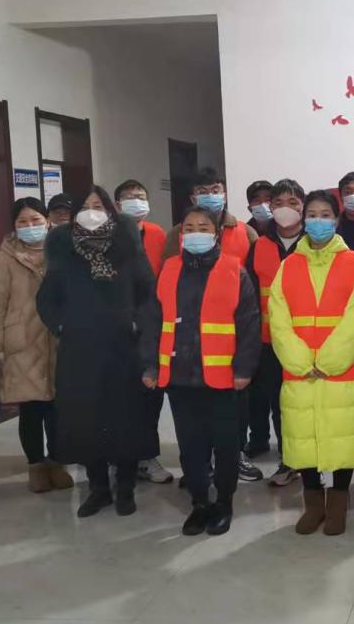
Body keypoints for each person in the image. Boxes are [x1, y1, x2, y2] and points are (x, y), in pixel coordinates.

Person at [37, 187, 157, 517]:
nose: (92, 211)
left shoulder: (127, 248)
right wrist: (62, 326)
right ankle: (99, 488)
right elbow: (47, 299)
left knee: (126, 419)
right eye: (85, 206)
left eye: (98, 205)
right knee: (87, 421)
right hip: (80, 352)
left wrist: (137, 323)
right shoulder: (64, 252)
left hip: (124, 349)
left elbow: (148, 293)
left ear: (111, 211)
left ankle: (126, 488)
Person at [146, 206, 261, 536]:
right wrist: (151, 365)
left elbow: (249, 325)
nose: (196, 233)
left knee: (226, 445)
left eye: (203, 227)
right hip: (180, 377)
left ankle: (223, 502)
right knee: (191, 446)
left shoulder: (234, 270)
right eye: (189, 228)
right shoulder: (169, 269)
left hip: (224, 379)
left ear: (216, 234)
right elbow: (154, 321)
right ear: (181, 234)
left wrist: (243, 369)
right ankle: (200, 502)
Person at [268, 190, 354, 535]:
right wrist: (300, 360)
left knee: (343, 438)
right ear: (304, 220)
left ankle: (338, 503)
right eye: (312, 214)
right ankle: (313, 504)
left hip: (341, 369)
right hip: (300, 371)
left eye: (325, 214)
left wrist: (329, 360)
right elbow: (278, 318)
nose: (318, 221)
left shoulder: (353, 263)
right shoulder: (288, 265)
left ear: (336, 219)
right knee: (304, 440)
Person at [0, 198, 71, 494]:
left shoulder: (63, 250)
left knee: (58, 409)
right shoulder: (6, 258)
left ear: (47, 221)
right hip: (22, 344)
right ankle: (36, 466)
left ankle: (57, 462)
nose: (30, 226)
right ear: (14, 226)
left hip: (60, 341)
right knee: (31, 410)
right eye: (23, 222)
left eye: (35, 220)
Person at [245, 178, 307, 485]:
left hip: (308, 340)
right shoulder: (260, 245)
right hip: (269, 341)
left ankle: (307, 459)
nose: (286, 209)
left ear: (303, 207)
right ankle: (288, 460)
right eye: (279, 203)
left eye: (293, 203)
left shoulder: (315, 242)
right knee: (278, 403)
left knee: (304, 404)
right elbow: (249, 295)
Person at [115, 179, 173, 485]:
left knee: (151, 394)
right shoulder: (108, 236)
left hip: (154, 324)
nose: (135, 201)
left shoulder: (158, 234)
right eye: (128, 197)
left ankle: (148, 456)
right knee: (120, 397)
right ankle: (120, 458)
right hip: (117, 327)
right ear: (117, 206)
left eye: (140, 196)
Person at [164, 168, 259, 264]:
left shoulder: (247, 232)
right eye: (202, 192)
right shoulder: (176, 234)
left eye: (215, 191)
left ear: (224, 197)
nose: (210, 195)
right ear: (193, 200)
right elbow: (169, 268)